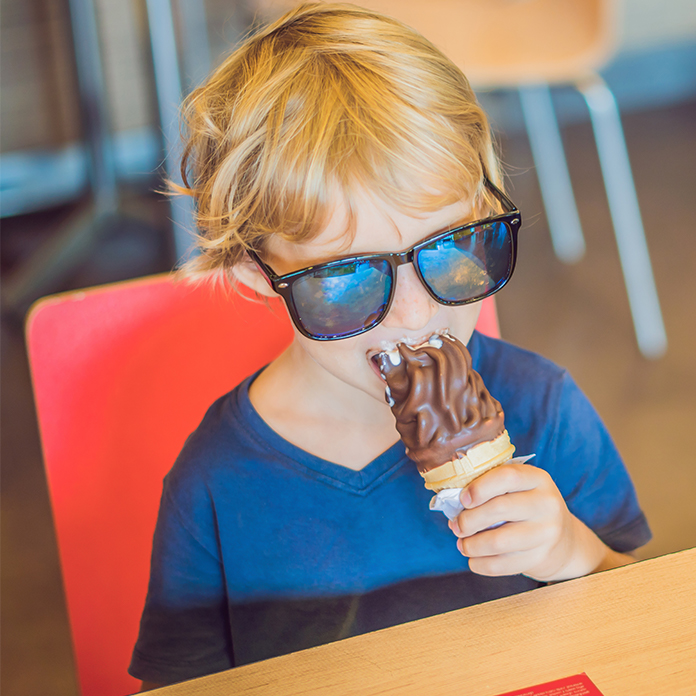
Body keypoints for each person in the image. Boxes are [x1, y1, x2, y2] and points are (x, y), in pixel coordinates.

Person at [130, 2, 651, 689]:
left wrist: (570, 549)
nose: (416, 313)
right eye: (345, 276)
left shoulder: (543, 405)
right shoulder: (215, 484)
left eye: (449, 248)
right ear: (259, 277)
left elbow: (651, 615)